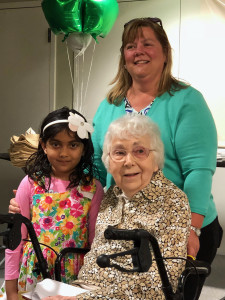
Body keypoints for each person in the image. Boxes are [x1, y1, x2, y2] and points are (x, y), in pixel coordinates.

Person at [91, 17, 223, 299]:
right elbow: (94, 164)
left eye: (147, 44)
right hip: (126, 224)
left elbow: (198, 171)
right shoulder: (109, 105)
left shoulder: (187, 101)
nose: (139, 51)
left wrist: (191, 229)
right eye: (130, 46)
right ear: (123, 57)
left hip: (179, 223)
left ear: (164, 53)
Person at [43, 114, 191, 300]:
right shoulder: (111, 194)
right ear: (109, 162)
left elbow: (158, 283)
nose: (128, 161)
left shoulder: (173, 202)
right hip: (80, 289)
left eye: (140, 151)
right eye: (119, 152)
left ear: (155, 161)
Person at [4, 107, 104, 300]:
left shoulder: (93, 188)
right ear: (44, 145)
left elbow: (95, 244)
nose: (64, 153)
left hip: (74, 278)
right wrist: (11, 291)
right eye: (56, 144)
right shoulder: (31, 183)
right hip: (32, 274)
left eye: (73, 145)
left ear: (84, 148)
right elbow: (15, 240)